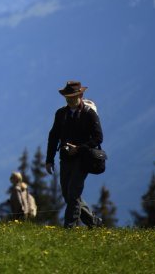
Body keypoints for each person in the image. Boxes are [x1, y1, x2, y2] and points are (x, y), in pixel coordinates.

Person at [46, 80, 103, 228]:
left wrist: (78, 148)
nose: (70, 100)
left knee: (74, 192)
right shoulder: (60, 114)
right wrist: (49, 160)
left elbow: (98, 138)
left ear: (81, 96)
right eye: (68, 97)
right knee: (67, 194)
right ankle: (94, 222)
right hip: (65, 158)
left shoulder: (89, 114)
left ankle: (69, 228)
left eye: (73, 97)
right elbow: (53, 137)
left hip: (83, 159)